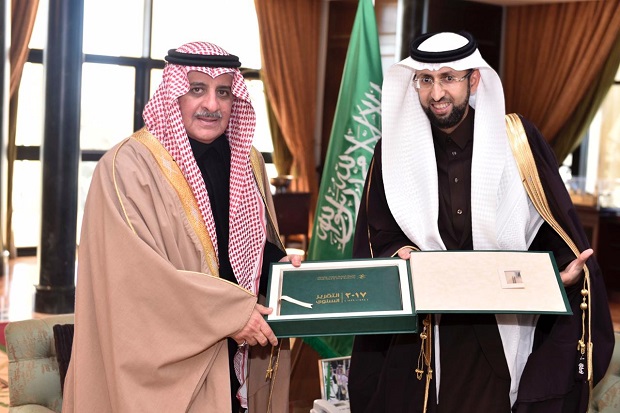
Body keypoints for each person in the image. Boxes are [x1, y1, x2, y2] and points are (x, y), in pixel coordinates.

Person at [348, 31, 614, 413]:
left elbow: (549, 225)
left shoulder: (517, 142)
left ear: (473, 80)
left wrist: (560, 274)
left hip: (502, 324)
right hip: (428, 329)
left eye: (448, 78)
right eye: (426, 80)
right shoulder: (393, 151)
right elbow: (378, 232)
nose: (437, 93)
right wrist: (400, 251)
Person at [62, 41, 302, 413]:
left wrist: (279, 267)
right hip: (174, 358)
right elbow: (136, 279)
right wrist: (230, 314)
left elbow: (245, 245)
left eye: (224, 92)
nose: (212, 105)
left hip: (241, 339)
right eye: (197, 89)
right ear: (173, 95)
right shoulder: (127, 167)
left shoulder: (247, 159)